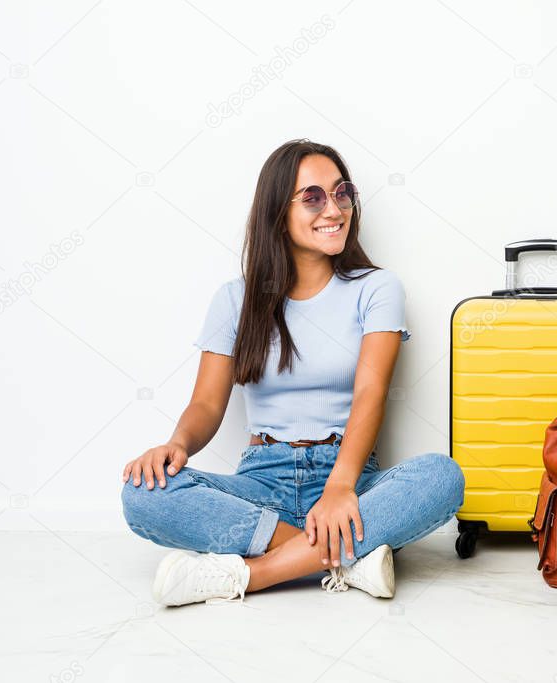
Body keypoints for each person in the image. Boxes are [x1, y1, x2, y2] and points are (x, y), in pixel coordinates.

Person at [120, 138, 464, 607]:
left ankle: (252, 574)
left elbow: (370, 392)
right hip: (263, 480)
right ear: (277, 212)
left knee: (443, 476)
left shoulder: (377, 288)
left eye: (342, 193)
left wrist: (341, 487)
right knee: (143, 493)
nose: (334, 209)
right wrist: (176, 445)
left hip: (351, 478)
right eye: (313, 197)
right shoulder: (234, 299)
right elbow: (206, 403)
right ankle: (344, 560)